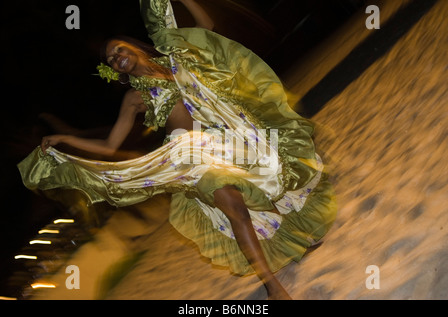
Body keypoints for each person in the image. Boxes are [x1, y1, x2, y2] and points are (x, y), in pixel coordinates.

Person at [18, 0, 337, 300]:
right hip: (187, 157)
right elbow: (110, 145)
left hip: (221, 141)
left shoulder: (175, 60)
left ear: (132, 45)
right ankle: (273, 286)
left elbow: (206, 23)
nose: (117, 57)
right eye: (111, 60)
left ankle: (292, 245)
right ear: (115, 69)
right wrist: (66, 140)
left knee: (264, 189)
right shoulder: (134, 98)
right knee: (236, 209)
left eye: (118, 50)